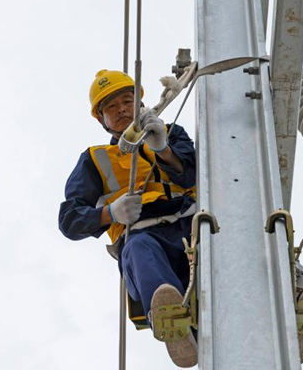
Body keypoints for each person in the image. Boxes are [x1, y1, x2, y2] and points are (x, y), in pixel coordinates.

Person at [58, 69, 198, 368]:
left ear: (140, 103)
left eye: (127, 101)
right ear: (102, 120)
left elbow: (191, 174)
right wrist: (110, 213)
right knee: (138, 248)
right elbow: (69, 220)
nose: (121, 109)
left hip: (192, 229)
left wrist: (163, 148)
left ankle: (288, 296)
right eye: (111, 106)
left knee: (222, 238)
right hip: (143, 237)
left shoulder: (170, 133)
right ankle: (171, 320)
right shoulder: (94, 159)